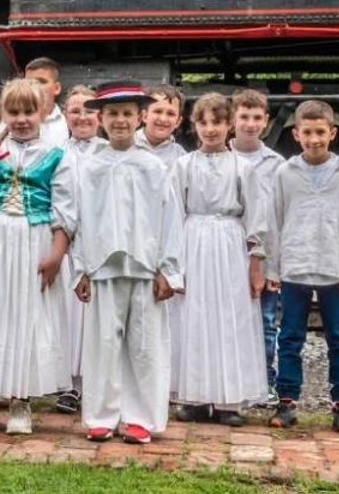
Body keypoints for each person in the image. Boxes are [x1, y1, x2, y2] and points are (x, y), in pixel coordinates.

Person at [0, 79, 76, 436]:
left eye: (29, 112)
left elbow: (65, 205)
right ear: (3, 114)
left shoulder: (57, 154)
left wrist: (56, 253)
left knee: (28, 315)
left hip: (34, 240)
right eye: (14, 112)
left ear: (42, 114)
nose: (21, 120)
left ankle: (21, 400)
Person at [73, 80, 183, 445]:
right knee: (103, 344)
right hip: (103, 266)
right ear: (101, 118)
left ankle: (140, 418)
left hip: (144, 266)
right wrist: (81, 269)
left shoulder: (152, 167)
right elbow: (80, 220)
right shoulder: (90, 168)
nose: (120, 121)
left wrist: (168, 269)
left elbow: (169, 219)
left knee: (145, 345)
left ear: (139, 118)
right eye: (113, 114)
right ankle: (102, 415)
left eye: (127, 114)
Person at [267, 100, 339, 435]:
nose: (314, 139)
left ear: (332, 133)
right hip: (296, 265)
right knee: (289, 337)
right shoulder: (285, 173)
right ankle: (286, 400)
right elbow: (274, 221)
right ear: (296, 134)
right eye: (307, 133)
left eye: (320, 132)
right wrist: (273, 267)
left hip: (333, 266)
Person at [169, 93, 268, 426]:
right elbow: (172, 214)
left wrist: (256, 261)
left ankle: (229, 399)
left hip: (229, 243)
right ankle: (195, 396)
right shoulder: (183, 165)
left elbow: (256, 216)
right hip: (192, 240)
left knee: (230, 315)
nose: (210, 129)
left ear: (229, 125)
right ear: (194, 125)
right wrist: (173, 265)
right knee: (193, 315)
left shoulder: (243, 167)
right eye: (203, 123)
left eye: (217, 122)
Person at [230, 88, 286, 406]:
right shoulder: (221, 157)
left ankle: (267, 380)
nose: (250, 124)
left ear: (265, 121)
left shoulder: (276, 164)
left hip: (263, 258)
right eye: (244, 117)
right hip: (227, 253)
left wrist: (275, 265)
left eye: (256, 118)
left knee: (265, 323)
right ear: (232, 119)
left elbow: (278, 218)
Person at [54, 84, 106, 415]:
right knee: (68, 314)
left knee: (97, 316)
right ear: (65, 115)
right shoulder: (55, 151)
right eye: (75, 110)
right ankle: (68, 383)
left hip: (99, 241)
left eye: (89, 110)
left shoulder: (108, 151)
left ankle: (96, 382)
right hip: (65, 240)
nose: (82, 116)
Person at [135, 83, 187, 169]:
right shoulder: (125, 147)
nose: (163, 119)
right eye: (158, 111)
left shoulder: (182, 158)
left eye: (170, 114)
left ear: (178, 121)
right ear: (144, 116)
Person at [24, 57, 70, 148]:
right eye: (29, 83)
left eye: (41, 82)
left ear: (57, 88)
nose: (34, 87)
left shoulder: (69, 123)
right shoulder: (9, 124)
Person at [65, 85, 108, 156]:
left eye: (89, 112)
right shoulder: (56, 153)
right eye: (75, 112)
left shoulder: (111, 152)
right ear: (66, 116)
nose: (82, 118)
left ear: (100, 116)